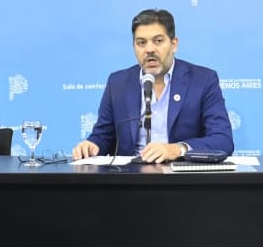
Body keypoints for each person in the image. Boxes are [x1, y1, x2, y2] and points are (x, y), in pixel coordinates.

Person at [72, 8, 234, 163]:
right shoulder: (118, 82)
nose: (149, 49)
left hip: (182, 176)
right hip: (128, 180)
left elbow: (222, 140)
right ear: (134, 47)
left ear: (174, 44)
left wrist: (177, 149)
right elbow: (103, 136)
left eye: (158, 41)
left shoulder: (203, 79)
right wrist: (92, 145)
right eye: (141, 43)